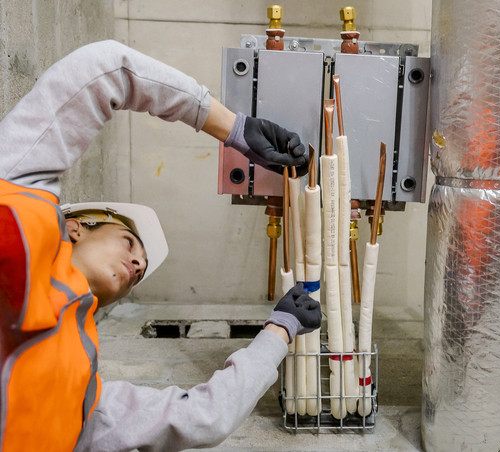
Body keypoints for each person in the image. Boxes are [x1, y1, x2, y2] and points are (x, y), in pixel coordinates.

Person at [0, 40, 321, 451]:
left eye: (140, 268)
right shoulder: (22, 210)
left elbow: (203, 418)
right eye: (129, 241)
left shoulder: (85, 394)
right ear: (76, 227)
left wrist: (281, 329)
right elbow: (105, 70)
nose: (136, 262)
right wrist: (234, 129)